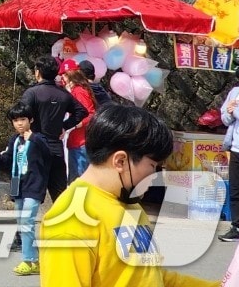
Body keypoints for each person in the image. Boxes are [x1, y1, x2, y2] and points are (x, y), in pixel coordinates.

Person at [39, 103, 218, 287]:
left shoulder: (129, 203)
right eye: (153, 166)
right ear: (120, 161)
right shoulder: (71, 220)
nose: (156, 176)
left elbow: (151, 277)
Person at [20, 54, 89, 202]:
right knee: (59, 192)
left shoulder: (31, 93)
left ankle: (28, 216)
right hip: (55, 146)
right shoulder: (63, 94)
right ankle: (63, 215)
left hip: (35, 143)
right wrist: (64, 126)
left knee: (31, 190)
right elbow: (82, 111)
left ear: (38, 72)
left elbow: (21, 114)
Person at [0, 102, 51, 277]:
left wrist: (33, 139)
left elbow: (48, 155)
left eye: (23, 119)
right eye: (15, 120)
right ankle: (35, 260)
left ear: (31, 120)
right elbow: (6, 163)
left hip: (34, 186)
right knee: (22, 223)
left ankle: (27, 260)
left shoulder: (38, 138)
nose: (19, 123)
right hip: (17, 185)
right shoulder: (14, 140)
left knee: (26, 221)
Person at [221, 64, 239, 241]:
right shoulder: (235, 92)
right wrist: (230, 112)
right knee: (236, 189)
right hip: (236, 149)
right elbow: (224, 117)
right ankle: (237, 227)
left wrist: (235, 110)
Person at [62, 60, 97, 183]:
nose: (62, 78)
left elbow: (90, 114)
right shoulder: (76, 91)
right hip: (76, 141)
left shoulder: (79, 91)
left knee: (79, 181)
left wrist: (75, 125)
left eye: (64, 74)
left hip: (80, 142)